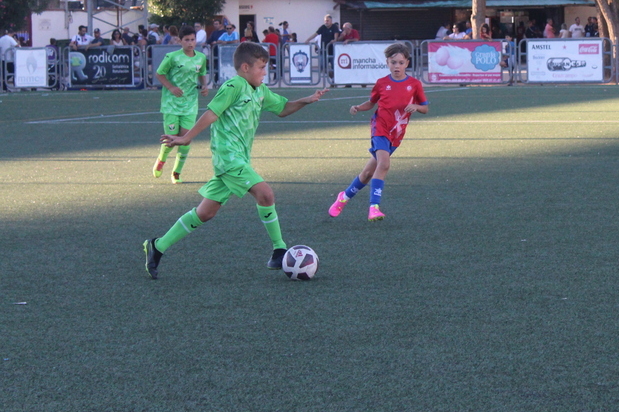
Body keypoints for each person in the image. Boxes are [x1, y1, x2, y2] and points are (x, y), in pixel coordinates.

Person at [144, 42, 328, 279]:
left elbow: (282, 108)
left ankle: (156, 247)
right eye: (261, 67)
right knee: (265, 193)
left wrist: (307, 100)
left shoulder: (260, 91)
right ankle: (279, 250)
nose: (265, 72)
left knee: (205, 213)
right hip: (228, 157)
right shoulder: (234, 85)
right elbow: (211, 113)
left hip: (240, 158)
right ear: (245, 68)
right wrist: (186, 137)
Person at [328, 43, 428, 222]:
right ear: (387, 63)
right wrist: (358, 107)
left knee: (367, 173)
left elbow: (425, 108)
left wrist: (416, 107)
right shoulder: (382, 83)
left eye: (400, 62)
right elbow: (371, 103)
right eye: (393, 62)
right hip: (380, 127)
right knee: (384, 163)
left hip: (397, 133)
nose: (396, 66)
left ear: (407, 63)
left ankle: (343, 197)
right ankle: (374, 208)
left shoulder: (414, 84)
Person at [153, 25, 209, 184]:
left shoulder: (201, 57)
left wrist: (204, 86)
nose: (190, 43)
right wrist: (171, 87)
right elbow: (159, 73)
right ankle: (162, 159)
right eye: (187, 40)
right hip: (171, 104)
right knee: (172, 138)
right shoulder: (172, 57)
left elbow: (202, 74)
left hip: (190, 104)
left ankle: (176, 172)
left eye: (193, 40)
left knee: (186, 138)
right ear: (180, 41)